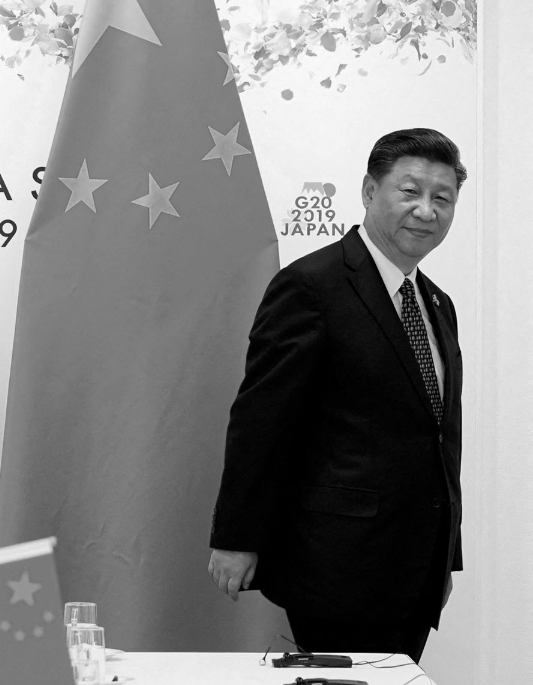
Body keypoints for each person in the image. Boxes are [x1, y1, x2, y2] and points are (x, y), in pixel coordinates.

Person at [207, 128, 466, 662]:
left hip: (415, 567)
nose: (426, 210)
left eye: (442, 199)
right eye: (410, 191)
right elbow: (262, 419)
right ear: (370, 192)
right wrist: (237, 537)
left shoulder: (437, 303)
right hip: (337, 562)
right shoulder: (312, 286)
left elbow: (438, 436)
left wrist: (447, 554)